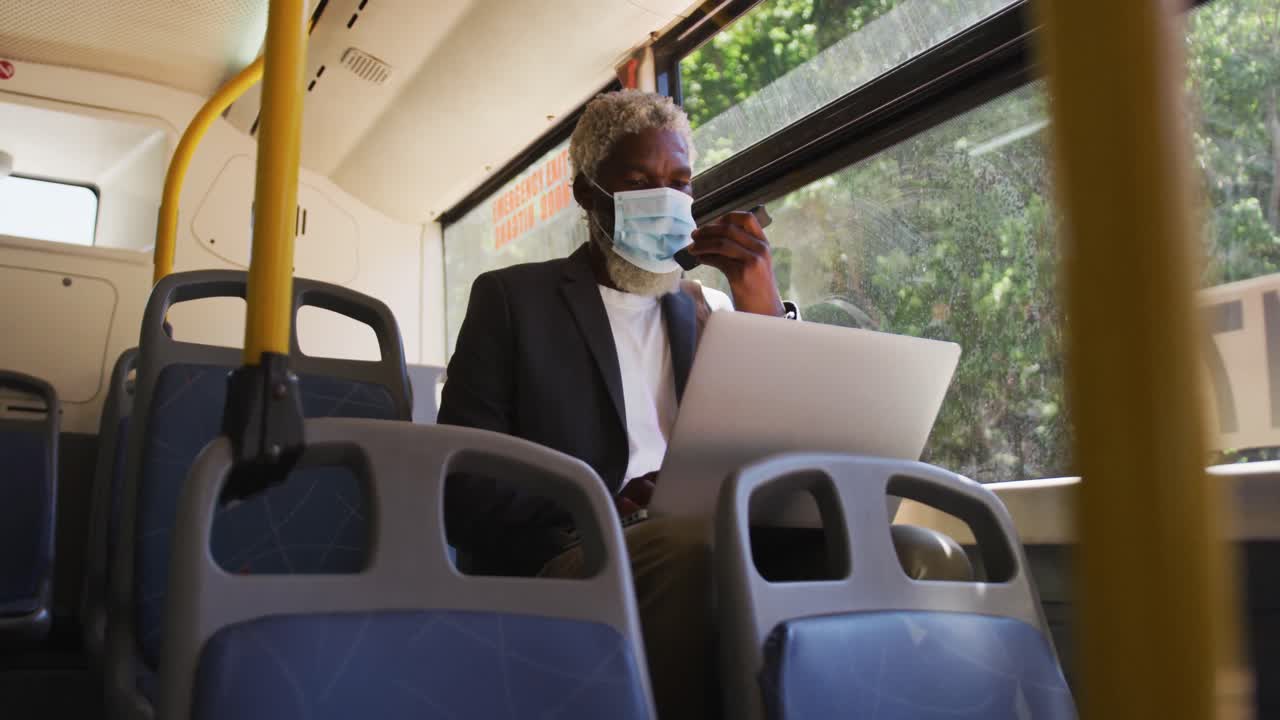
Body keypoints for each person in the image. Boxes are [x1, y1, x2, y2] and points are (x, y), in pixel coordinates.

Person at [439, 90, 969, 718]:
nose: (666, 197)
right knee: (687, 552)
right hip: (581, 547)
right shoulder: (511, 300)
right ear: (587, 194)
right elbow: (464, 489)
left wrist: (761, 304)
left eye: (680, 182)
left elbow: (797, 436)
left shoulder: (710, 312)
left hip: (732, 535)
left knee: (921, 554)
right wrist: (602, 500)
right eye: (638, 181)